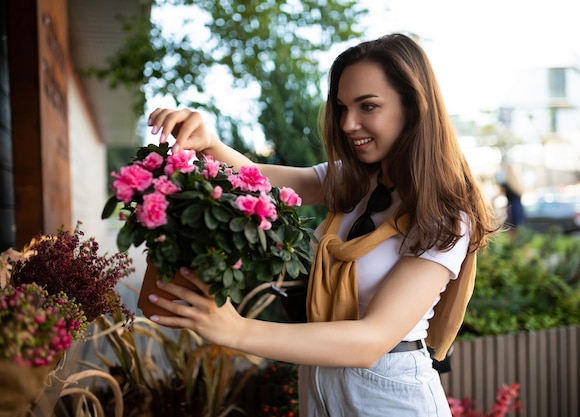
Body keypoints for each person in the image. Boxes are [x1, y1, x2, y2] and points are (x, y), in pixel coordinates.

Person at [146, 33, 498, 416]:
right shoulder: (356, 181)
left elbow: (372, 339)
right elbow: (256, 179)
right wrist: (207, 142)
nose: (348, 123)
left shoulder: (444, 213)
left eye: (368, 106)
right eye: (342, 107)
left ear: (413, 107)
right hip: (321, 383)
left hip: (390, 393)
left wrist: (238, 330)